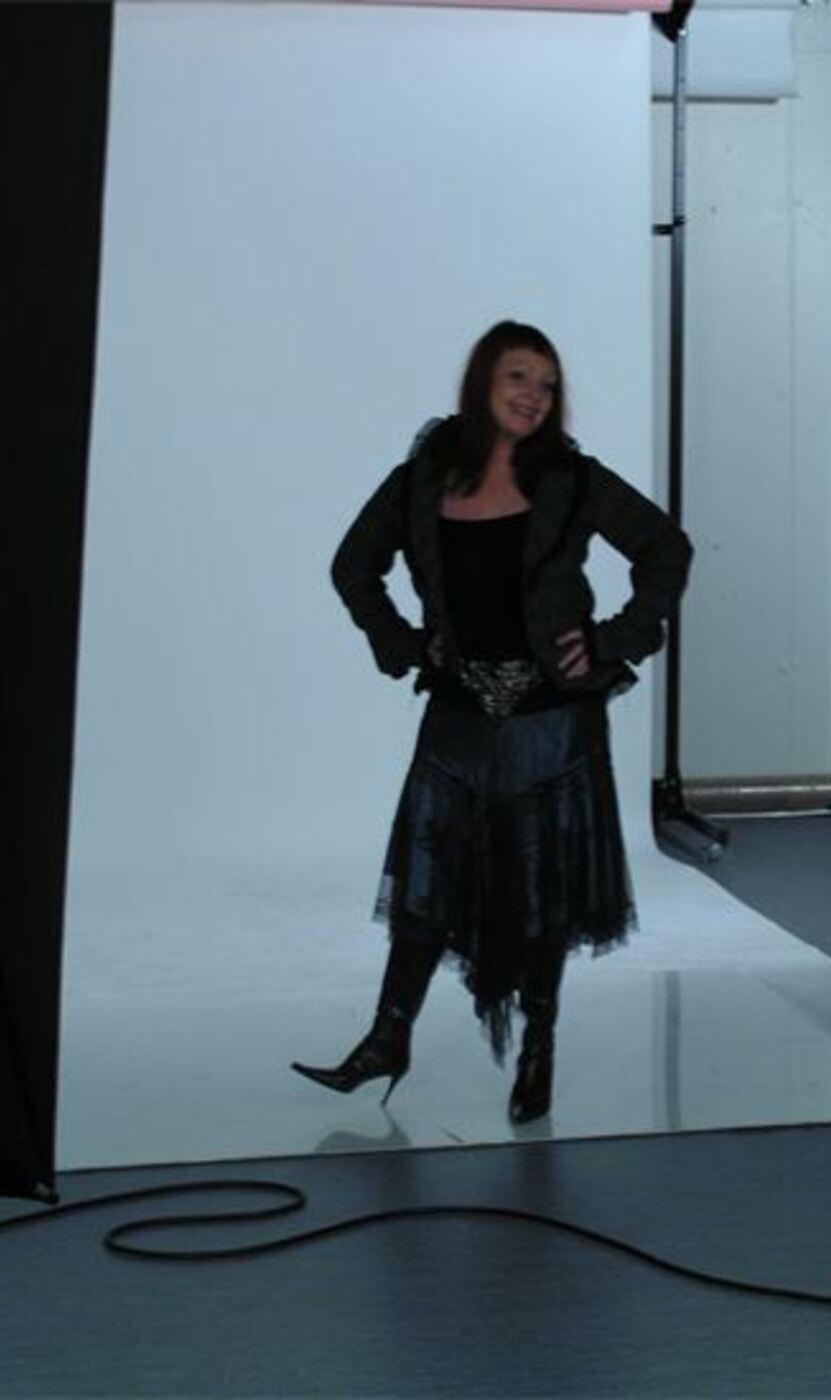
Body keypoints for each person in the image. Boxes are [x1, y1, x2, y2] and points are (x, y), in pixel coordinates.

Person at [291, 321, 692, 1123]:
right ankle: (387, 1038)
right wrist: (404, 643)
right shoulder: (422, 479)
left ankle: (538, 1047)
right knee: (427, 883)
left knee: (540, 892)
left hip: (552, 724)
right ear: (482, 381)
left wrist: (612, 639)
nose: (532, 396)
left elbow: (665, 549)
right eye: (517, 377)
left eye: (546, 384)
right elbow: (353, 565)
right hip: (458, 718)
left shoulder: (572, 480)